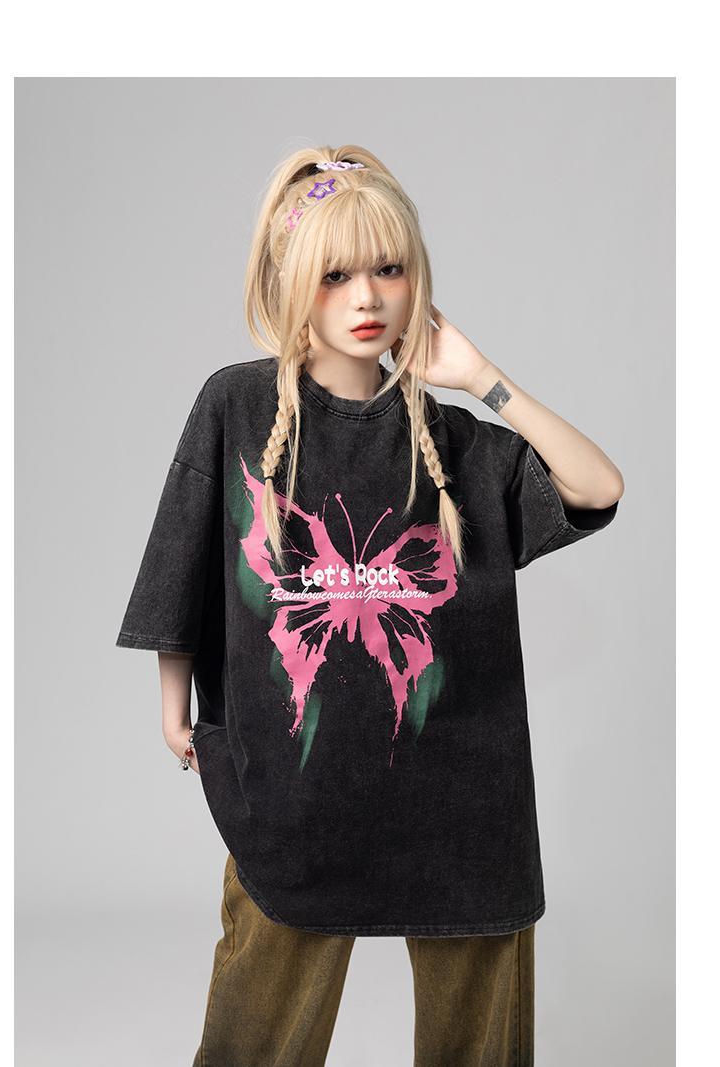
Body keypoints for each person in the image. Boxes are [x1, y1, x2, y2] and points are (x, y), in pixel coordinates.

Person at [117, 145, 623, 1067]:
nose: (367, 297)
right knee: (254, 1037)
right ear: (292, 282)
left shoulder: (456, 443)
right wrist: (173, 701)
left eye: (389, 269)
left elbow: (598, 487)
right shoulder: (234, 406)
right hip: (296, 799)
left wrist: (482, 376)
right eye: (336, 274)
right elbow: (183, 559)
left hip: (464, 806)